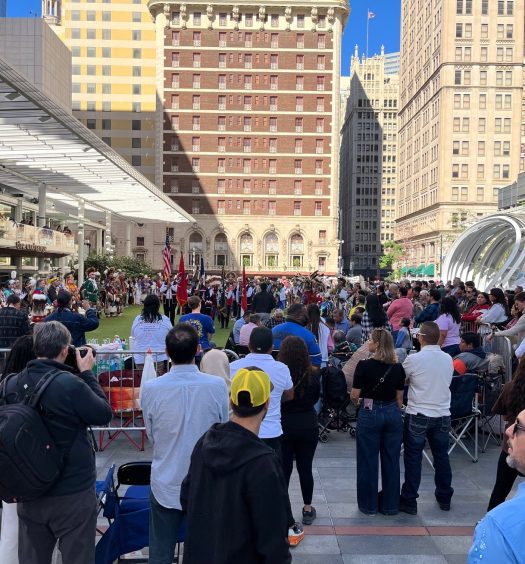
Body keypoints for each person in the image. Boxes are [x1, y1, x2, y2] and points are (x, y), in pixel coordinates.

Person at [6, 322, 112, 564]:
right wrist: (86, 374)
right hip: (70, 490)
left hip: (29, 487)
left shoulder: (11, 384)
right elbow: (103, 414)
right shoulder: (70, 384)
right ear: (65, 350)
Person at [181, 366, 292, 564]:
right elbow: (273, 538)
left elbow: (186, 498)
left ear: (231, 401)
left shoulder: (205, 442)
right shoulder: (263, 462)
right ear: (267, 403)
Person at [141, 323, 229, 564]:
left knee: (161, 553)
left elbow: (152, 435)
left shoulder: (152, 389)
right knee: (198, 552)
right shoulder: (216, 386)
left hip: (172, 479)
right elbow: (223, 428)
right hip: (198, 481)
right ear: (198, 350)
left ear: (167, 352)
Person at [229, 327, 304, 545]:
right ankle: (287, 524)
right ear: (272, 347)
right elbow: (289, 395)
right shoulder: (280, 368)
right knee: (275, 482)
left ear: (248, 345)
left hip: (243, 431)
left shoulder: (234, 367)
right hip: (270, 432)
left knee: (240, 481)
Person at [400, 321, 454, 515]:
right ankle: (444, 496)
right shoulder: (448, 358)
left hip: (419, 412)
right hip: (442, 413)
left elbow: (402, 379)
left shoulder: (414, 359)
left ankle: (409, 500)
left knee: (413, 457)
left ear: (421, 337)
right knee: (441, 456)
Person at [351, 328, 405, 515]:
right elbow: (400, 398)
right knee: (391, 460)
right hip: (392, 412)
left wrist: (358, 402)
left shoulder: (364, 366)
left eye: (370, 339)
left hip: (369, 410)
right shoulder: (398, 367)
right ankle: (391, 506)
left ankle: (369, 505)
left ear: (377, 344)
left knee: (368, 459)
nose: (368, 341)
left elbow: (355, 394)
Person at [468, 408, 525, 563]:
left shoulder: (499, 527)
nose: (508, 430)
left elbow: (497, 409)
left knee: (501, 487)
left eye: (518, 426)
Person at [0, 335, 36, 564]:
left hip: (11, 466)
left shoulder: (6, 385)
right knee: (14, 527)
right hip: (24, 466)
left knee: (12, 526)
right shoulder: (24, 388)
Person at [278, 336, 321, 525]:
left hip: (285, 423)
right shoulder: (313, 374)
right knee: (305, 468)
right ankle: (307, 507)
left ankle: (282, 508)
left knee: (284, 468)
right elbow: (314, 399)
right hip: (307, 423)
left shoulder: (281, 373)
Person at [486, 355, 525, 511]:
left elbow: (502, 413)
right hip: (512, 445)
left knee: (500, 489)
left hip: (510, 447)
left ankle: (488, 521)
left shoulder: (510, 387)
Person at [272, 304, 322, 370]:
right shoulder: (308, 335)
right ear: (300, 315)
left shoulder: (273, 330)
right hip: (299, 377)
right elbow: (316, 365)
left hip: (275, 376)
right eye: (306, 313)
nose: (308, 316)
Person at [131, 295, 173, 369]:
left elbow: (133, 335)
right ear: (158, 305)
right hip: (158, 357)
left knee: (142, 379)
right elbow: (172, 336)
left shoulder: (138, 319)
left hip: (144, 358)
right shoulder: (165, 319)